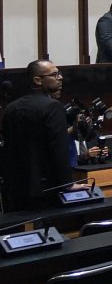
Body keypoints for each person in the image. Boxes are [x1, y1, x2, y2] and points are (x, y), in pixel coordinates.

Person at [1, 60, 74, 210]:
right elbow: (58, 148)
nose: (60, 78)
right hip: (46, 189)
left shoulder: (11, 108)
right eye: (54, 74)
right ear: (37, 80)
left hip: (14, 188)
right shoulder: (53, 106)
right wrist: (67, 184)